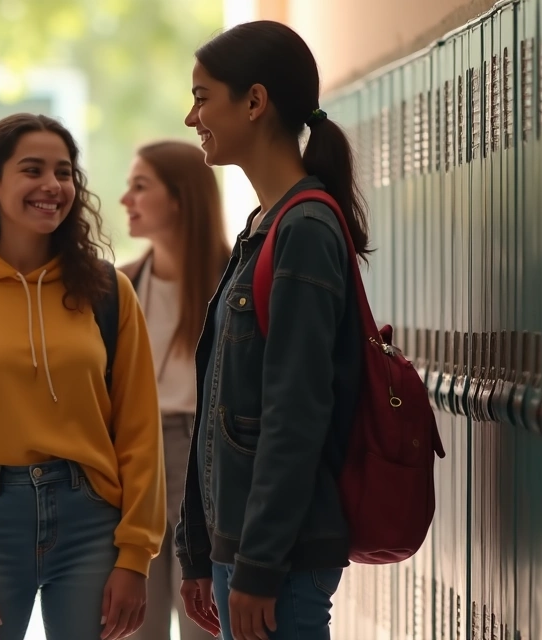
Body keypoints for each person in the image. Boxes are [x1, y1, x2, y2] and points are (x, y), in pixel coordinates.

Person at [0, 113, 166, 640]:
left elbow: (140, 433)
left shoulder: (109, 293)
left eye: (64, 172)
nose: (53, 185)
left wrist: (136, 555)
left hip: (93, 520)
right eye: (32, 170)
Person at [175, 20, 368, 640]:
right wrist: (202, 551)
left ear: (255, 102)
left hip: (277, 557)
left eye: (203, 97)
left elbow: (295, 412)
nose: (191, 116)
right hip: (246, 547)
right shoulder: (266, 223)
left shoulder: (303, 229)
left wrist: (257, 565)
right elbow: (221, 406)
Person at [117, 140, 230, 640]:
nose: (126, 199)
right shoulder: (119, 285)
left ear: (180, 198)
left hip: (206, 453)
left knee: (203, 620)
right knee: (133, 621)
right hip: (133, 458)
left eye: (140, 186)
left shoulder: (234, 279)